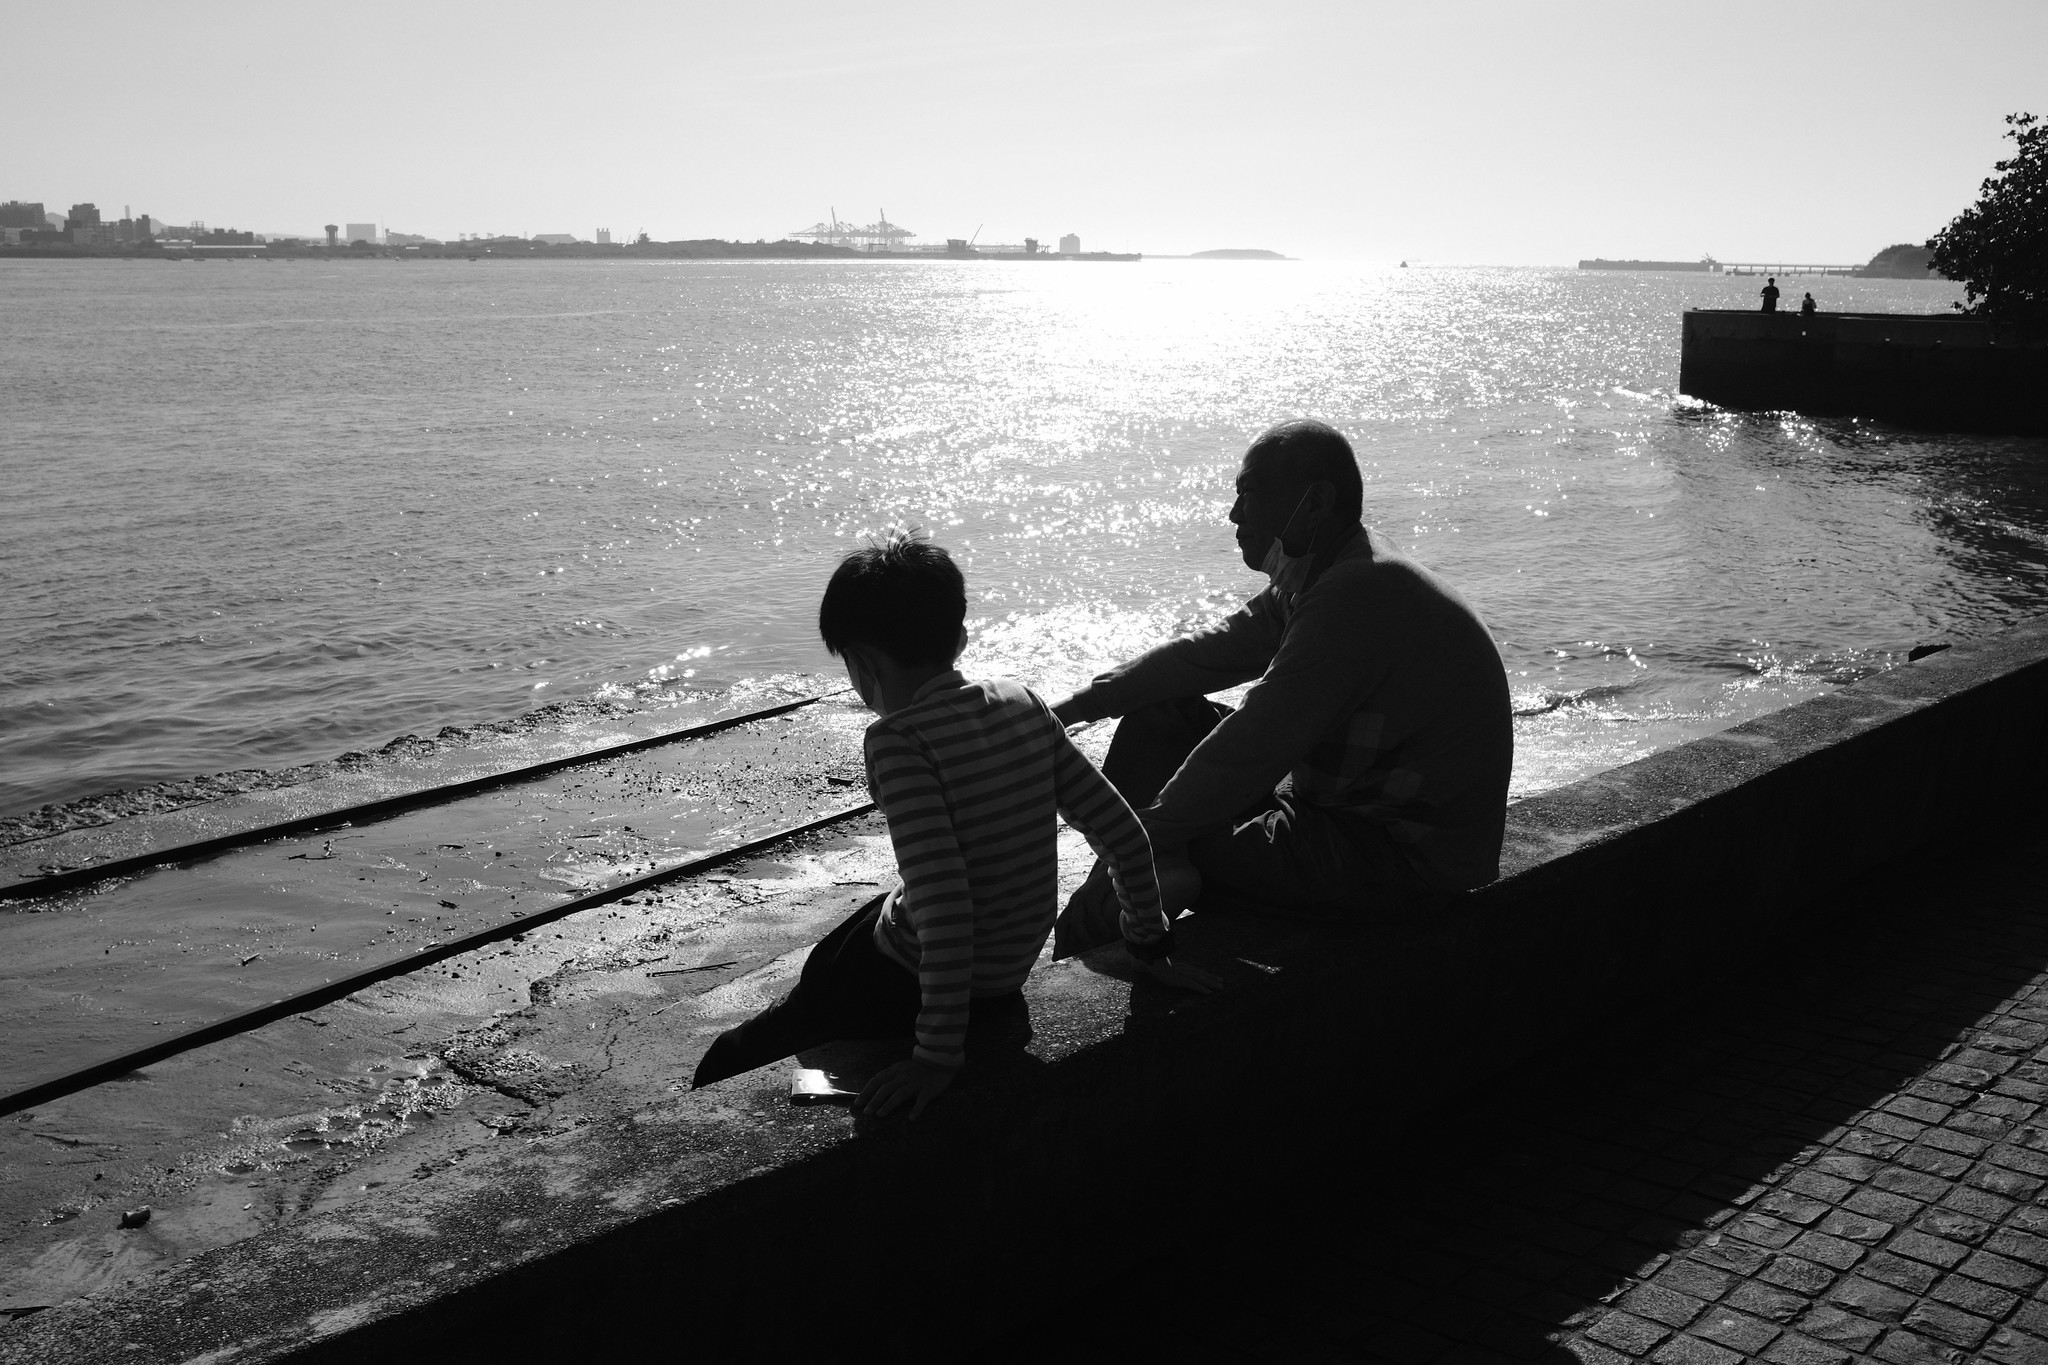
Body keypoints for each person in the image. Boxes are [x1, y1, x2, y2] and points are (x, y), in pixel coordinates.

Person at [691, 534, 1216, 1117]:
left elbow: (944, 905)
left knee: (752, 1041)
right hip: (1005, 970)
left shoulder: (897, 740)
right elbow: (1124, 834)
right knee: (854, 930)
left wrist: (935, 1056)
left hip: (912, 979)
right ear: (959, 638)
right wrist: (1151, 944)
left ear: (863, 664)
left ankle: (700, 1097)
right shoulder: (1025, 704)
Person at [1051, 419, 1512, 952]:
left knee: (1179, 824)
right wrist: (1071, 709)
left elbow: (1255, 742)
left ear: (1315, 503)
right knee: (1159, 719)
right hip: (1335, 813)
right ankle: (1156, 875)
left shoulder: (1359, 593)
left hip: (1397, 862)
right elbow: (1211, 652)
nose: (1234, 514)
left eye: (1248, 494)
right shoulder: (1330, 569)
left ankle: (1109, 918)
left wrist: (1140, 840)